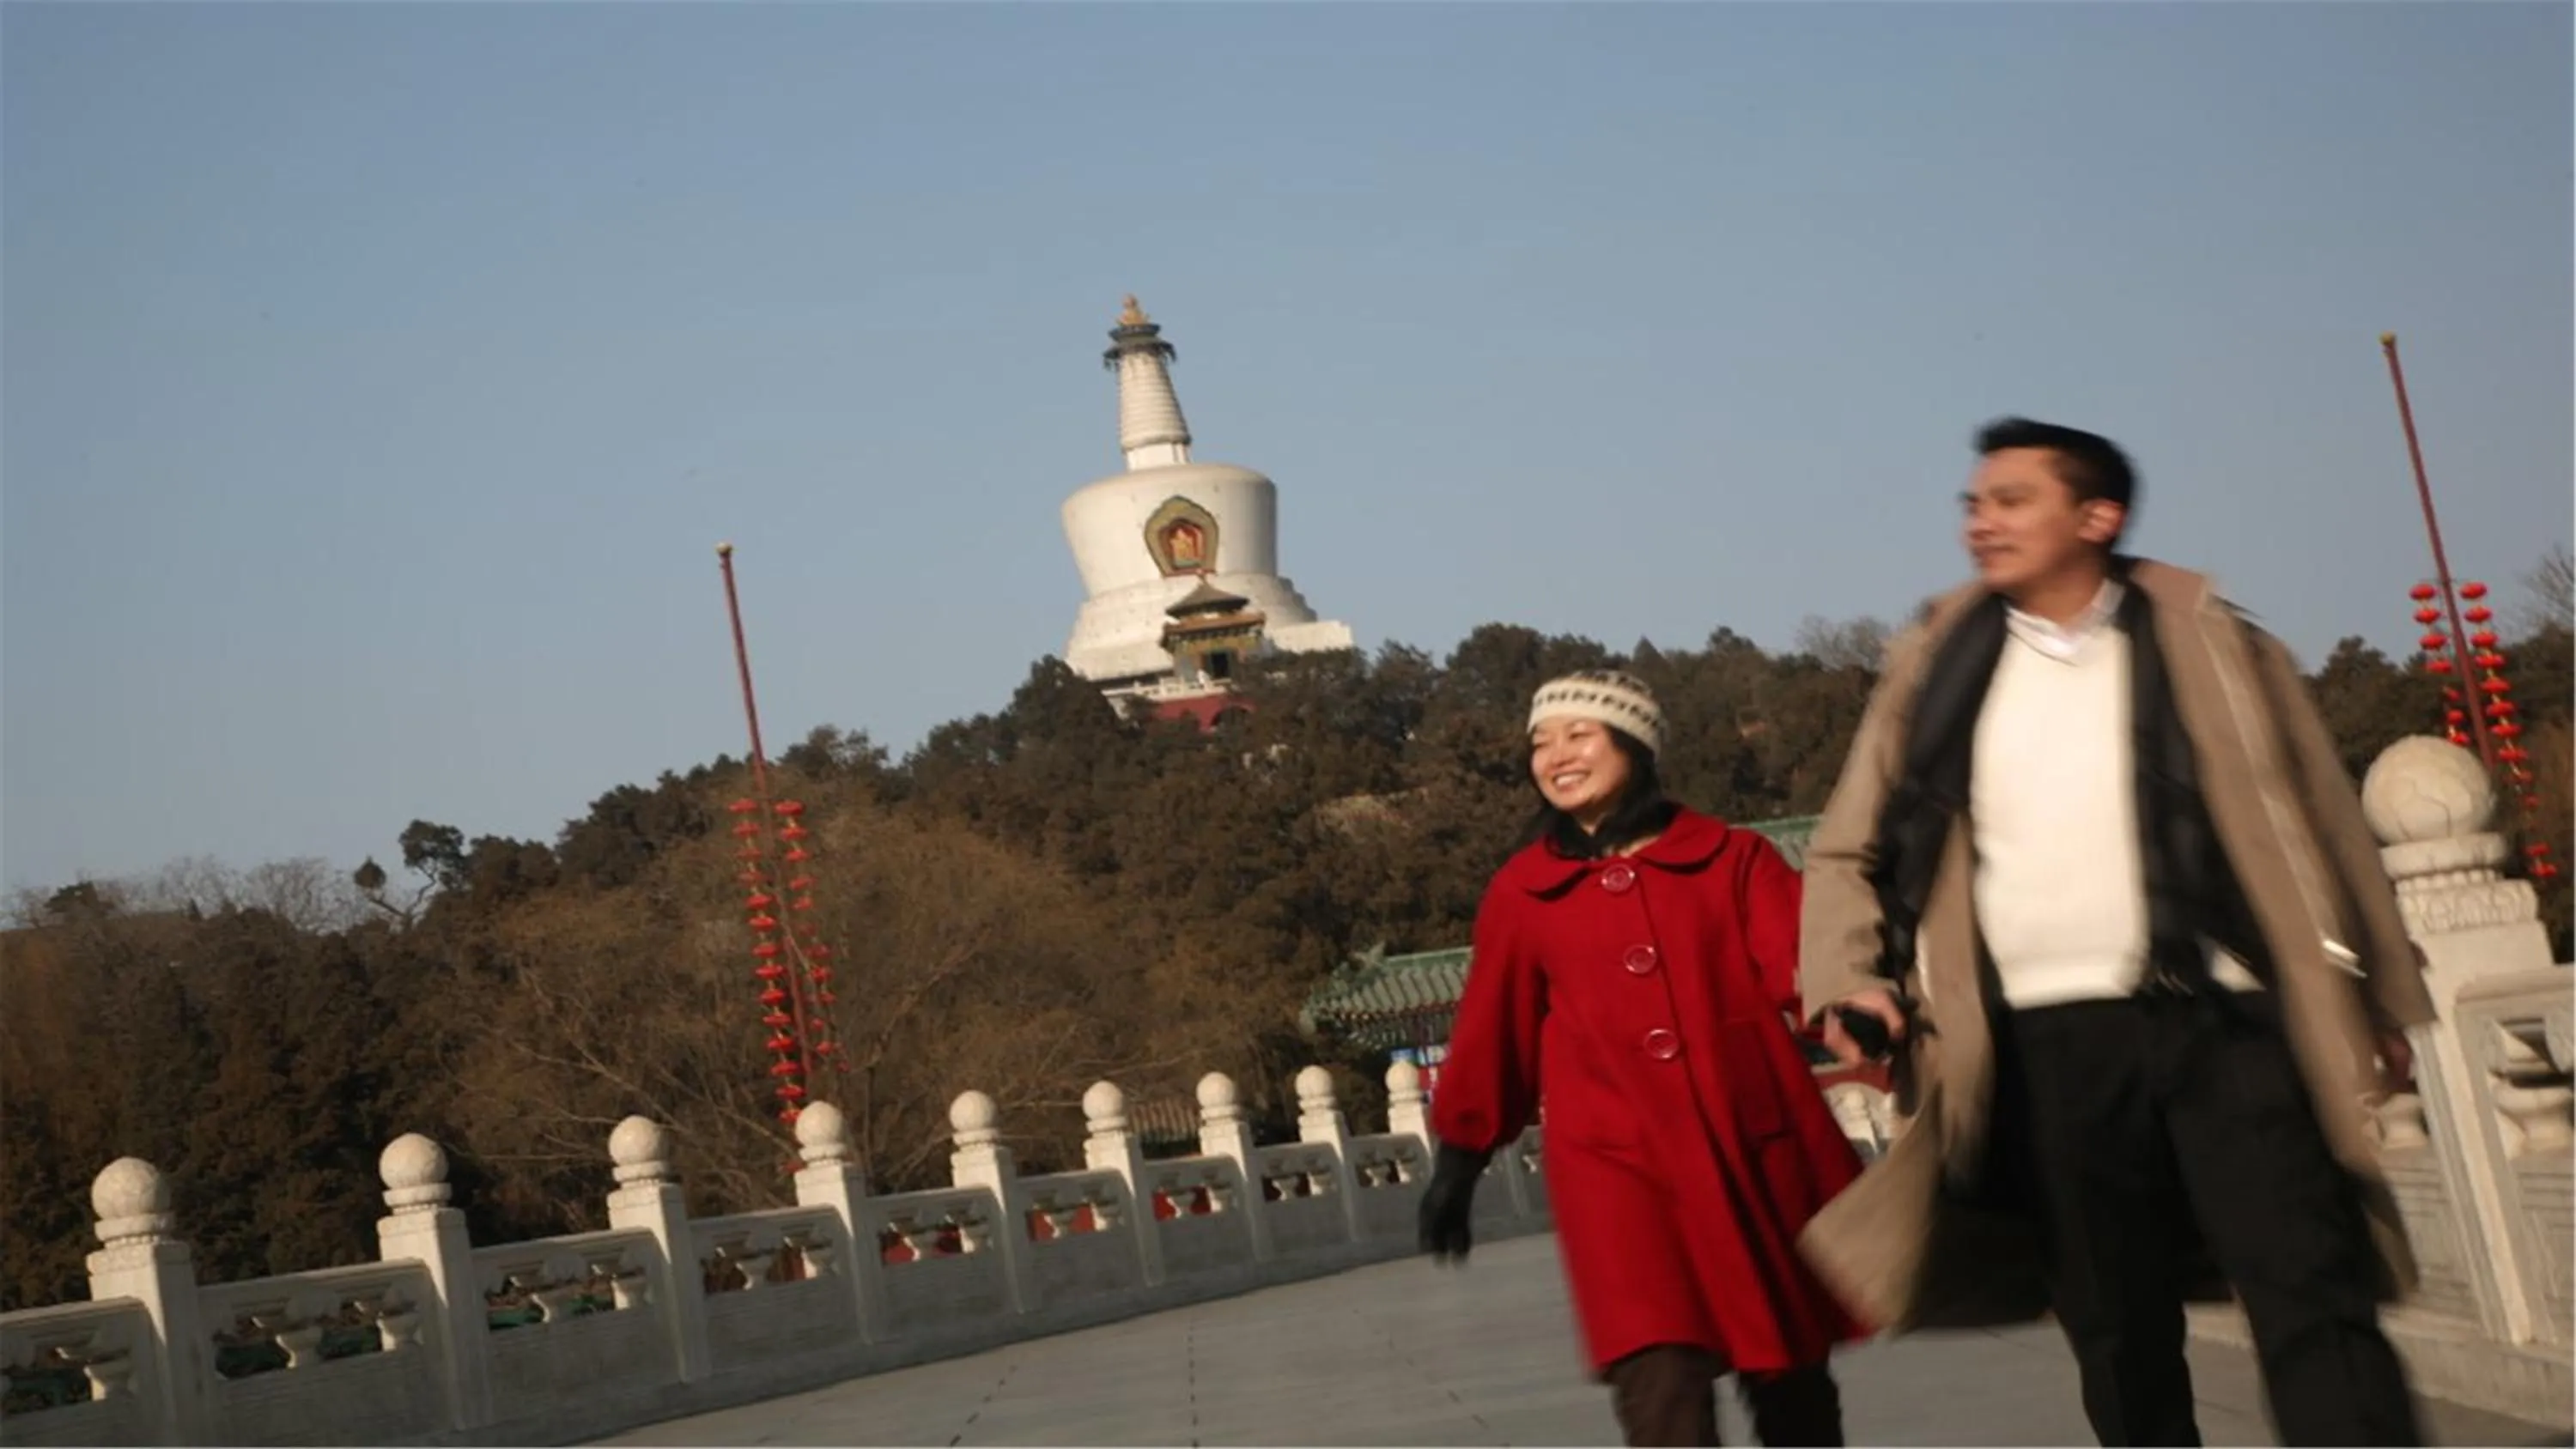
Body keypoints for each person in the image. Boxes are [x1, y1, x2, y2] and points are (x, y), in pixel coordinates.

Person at [1796, 417, 2433, 1446]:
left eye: (2012, 500)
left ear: (2098, 515)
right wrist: (1848, 978)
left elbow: (2320, 818)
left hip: (2226, 1015)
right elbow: (1845, 849)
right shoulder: (1933, 663)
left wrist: (2377, 999)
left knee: (2310, 1287)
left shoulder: (2214, 638)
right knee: (2115, 1322)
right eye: (1974, 504)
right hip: (2042, 1043)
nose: (1982, 523)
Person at [1418, 669, 1868, 1447]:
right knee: (1657, 1382)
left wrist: (1856, 1009)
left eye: (1579, 734)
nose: (1556, 755)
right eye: (1540, 742)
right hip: (1616, 1170)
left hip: (1747, 1149)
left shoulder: (1734, 861)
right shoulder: (1524, 892)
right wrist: (1457, 1165)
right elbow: (1495, 1032)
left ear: (1635, 744)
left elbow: (1807, 966)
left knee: (1790, 1377)